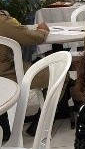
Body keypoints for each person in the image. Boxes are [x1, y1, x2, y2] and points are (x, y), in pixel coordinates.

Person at [0, 11, 50, 140]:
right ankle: (40, 123)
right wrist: (42, 30)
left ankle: (4, 124)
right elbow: (33, 37)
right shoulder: (3, 23)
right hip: (7, 75)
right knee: (58, 74)